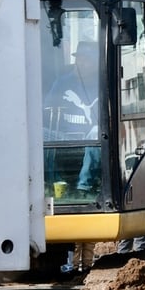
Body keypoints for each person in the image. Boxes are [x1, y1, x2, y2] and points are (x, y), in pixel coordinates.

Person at [44, 39, 102, 194]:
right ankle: (54, 182)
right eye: (80, 59)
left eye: (87, 59)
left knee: (98, 131)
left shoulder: (102, 84)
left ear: (96, 62)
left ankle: (84, 186)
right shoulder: (62, 82)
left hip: (90, 136)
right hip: (62, 135)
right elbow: (46, 109)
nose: (82, 63)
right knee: (40, 133)